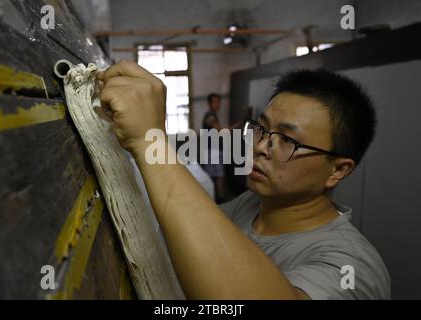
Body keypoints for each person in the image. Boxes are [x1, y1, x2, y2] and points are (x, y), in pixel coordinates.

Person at [98, 61, 390, 299]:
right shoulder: (250, 205)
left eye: (287, 140)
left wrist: (151, 144)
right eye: (261, 129)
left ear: (337, 170)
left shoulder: (352, 267)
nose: (260, 147)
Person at [201, 93, 240, 203]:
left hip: (213, 150)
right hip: (212, 151)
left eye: (219, 102)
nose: (218, 104)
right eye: (215, 102)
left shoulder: (213, 115)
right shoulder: (210, 117)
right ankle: (219, 200)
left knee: (215, 176)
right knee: (217, 177)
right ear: (209, 103)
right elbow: (222, 131)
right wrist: (236, 125)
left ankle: (216, 199)